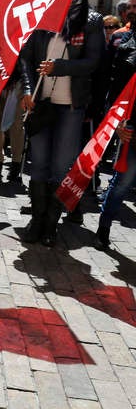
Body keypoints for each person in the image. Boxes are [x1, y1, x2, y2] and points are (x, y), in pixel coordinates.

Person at [20, 0, 104, 246]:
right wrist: (27, 90)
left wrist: (60, 67)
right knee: (39, 165)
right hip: (41, 105)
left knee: (59, 167)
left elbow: (93, 62)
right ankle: (36, 221)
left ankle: (50, 226)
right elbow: (27, 59)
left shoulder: (91, 21)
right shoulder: (44, 16)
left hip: (71, 106)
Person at [96, 23, 136, 249]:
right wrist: (118, 122)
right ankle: (104, 228)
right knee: (123, 182)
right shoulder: (125, 45)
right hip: (131, 126)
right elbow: (117, 89)